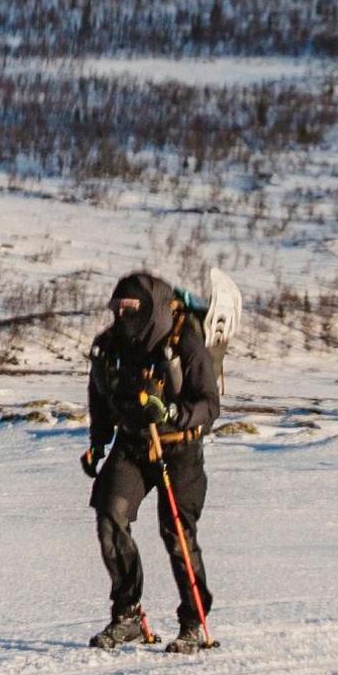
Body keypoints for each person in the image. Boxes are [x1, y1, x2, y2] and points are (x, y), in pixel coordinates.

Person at [82, 270, 220, 652]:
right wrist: (98, 443)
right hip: (132, 445)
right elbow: (99, 396)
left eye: (132, 309)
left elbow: (210, 403)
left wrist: (175, 414)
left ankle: (193, 620)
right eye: (118, 309)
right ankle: (126, 614)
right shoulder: (109, 346)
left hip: (180, 449)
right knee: (111, 516)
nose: (124, 317)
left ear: (152, 308)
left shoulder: (184, 341)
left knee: (176, 532)